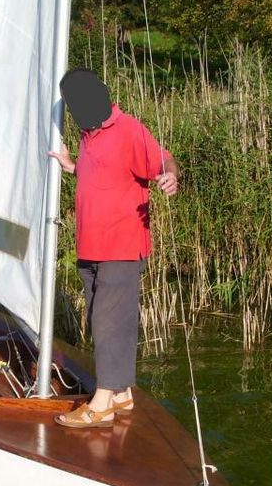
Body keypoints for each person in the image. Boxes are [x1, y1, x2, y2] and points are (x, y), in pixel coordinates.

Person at [49, 68, 180, 428]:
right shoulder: (88, 134)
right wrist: (70, 165)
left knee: (108, 319)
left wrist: (170, 177)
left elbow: (163, 159)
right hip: (90, 245)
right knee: (99, 317)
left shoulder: (129, 130)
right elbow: (102, 174)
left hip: (121, 244)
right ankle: (122, 392)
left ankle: (103, 400)